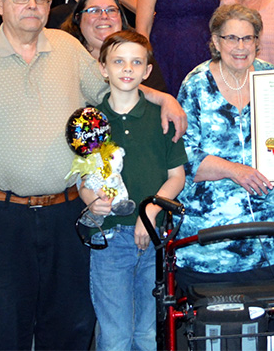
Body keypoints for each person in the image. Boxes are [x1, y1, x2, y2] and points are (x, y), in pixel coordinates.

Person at [0, 0, 185, 349]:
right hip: (1, 216)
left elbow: (116, 87)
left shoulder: (67, 48)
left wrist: (164, 97)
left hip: (67, 215)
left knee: (71, 325)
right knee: (4, 326)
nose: (32, 5)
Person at [174, 4, 274, 288]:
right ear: (215, 41)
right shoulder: (195, 85)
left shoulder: (272, 78)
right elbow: (183, 158)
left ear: (258, 43)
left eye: (248, 38)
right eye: (231, 38)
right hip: (213, 246)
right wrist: (235, 171)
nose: (240, 46)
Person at [83, 30, 187, 351]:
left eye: (136, 62)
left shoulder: (162, 117)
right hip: (110, 240)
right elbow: (83, 180)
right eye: (118, 61)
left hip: (153, 237)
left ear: (147, 71)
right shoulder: (91, 121)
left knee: (146, 334)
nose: (127, 69)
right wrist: (92, 201)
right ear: (103, 68)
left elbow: (177, 177)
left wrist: (151, 211)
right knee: (115, 336)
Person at [61, 0, 167, 93]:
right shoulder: (65, 59)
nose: (104, 16)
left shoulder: (139, 55)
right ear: (78, 18)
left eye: (111, 10)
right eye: (94, 10)